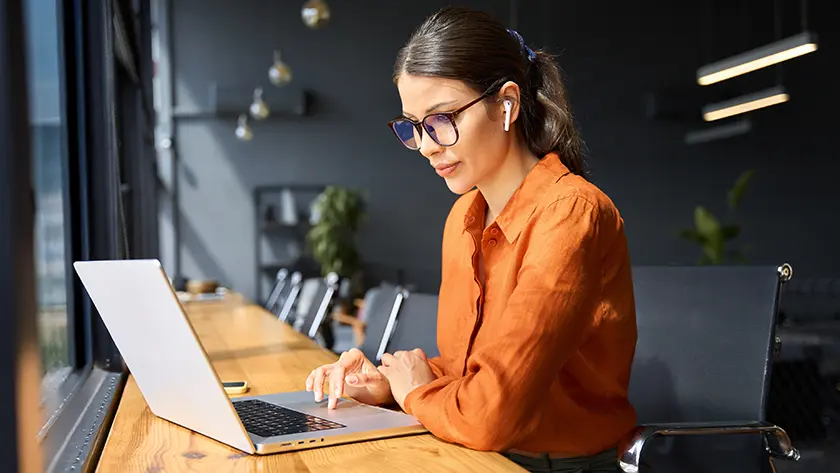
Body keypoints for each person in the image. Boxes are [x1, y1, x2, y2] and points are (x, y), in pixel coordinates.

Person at [305, 6, 637, 472]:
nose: (425, 145)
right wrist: (387, 385)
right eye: (413, 126)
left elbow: (491, 413)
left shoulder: (571, 215)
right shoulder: (465, 216)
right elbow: (473, 372)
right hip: (477, 454)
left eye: (441, 119)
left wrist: (417, 392)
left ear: (506, 104)